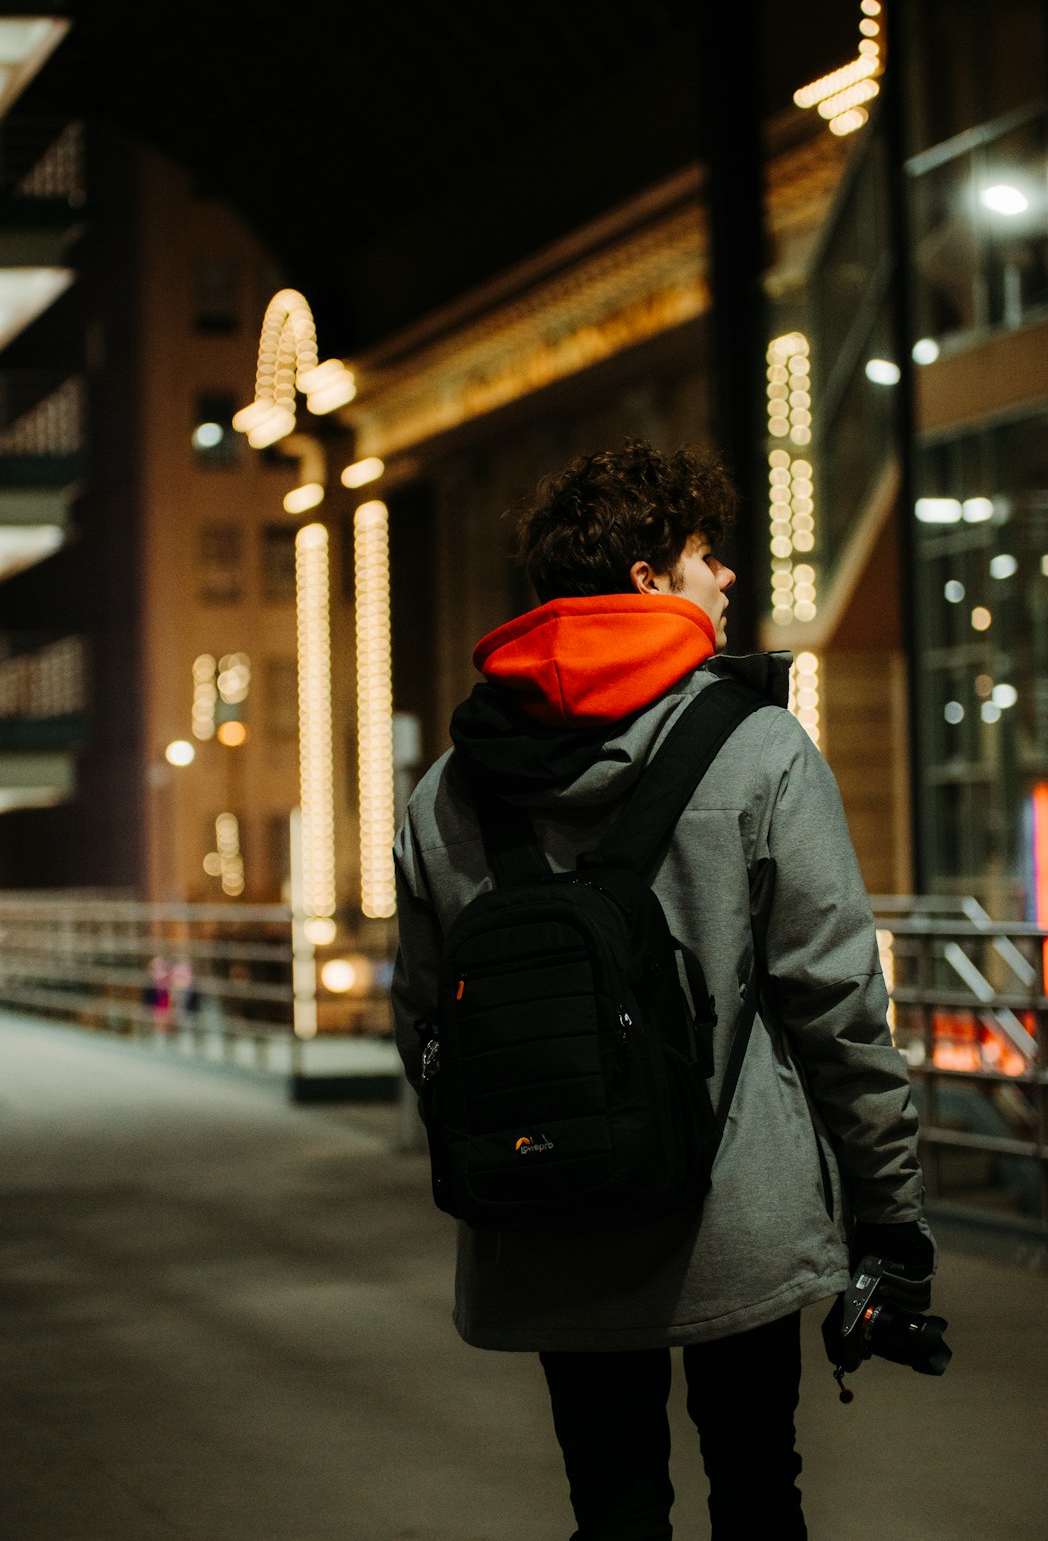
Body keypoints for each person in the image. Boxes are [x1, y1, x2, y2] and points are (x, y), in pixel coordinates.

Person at [391, 439, 935, 1541]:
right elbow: (838, 1008)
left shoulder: (447, 790)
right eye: (703, 555)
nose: (727, 577)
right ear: (649, 582)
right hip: (728, 1221)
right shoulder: (760, 750)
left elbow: (421, 1022)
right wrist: (893, 1211)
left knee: (613, 1509)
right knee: (756, 1490)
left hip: (548, 1219)